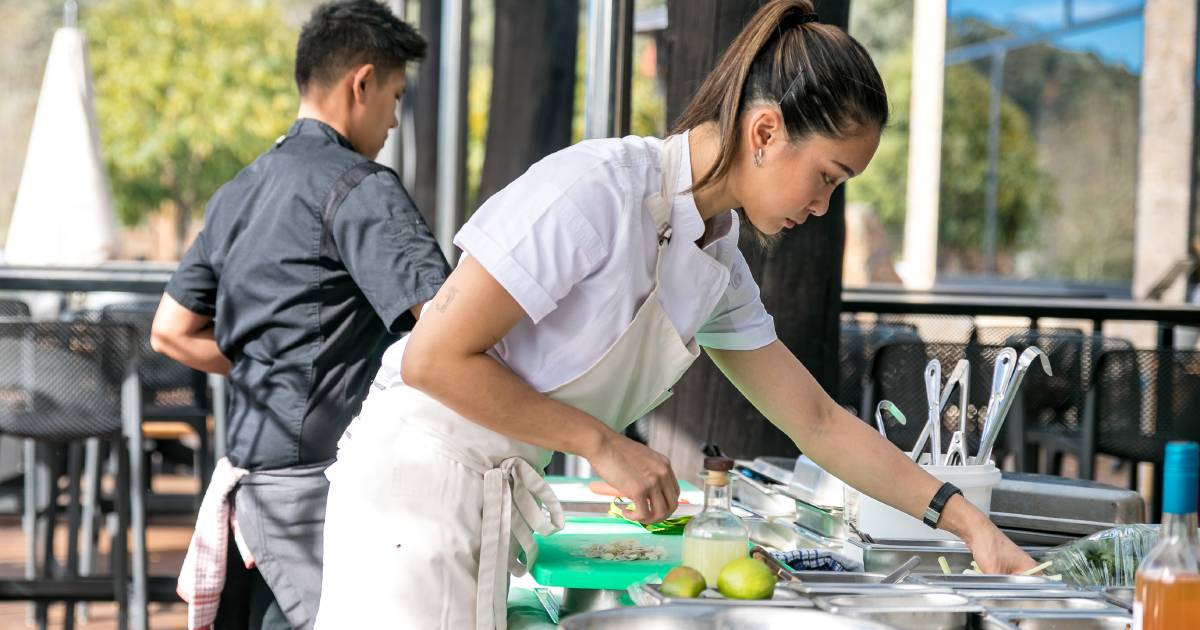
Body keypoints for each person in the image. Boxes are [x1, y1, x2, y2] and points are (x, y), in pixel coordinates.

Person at [315, 1, 1037, 627]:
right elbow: (431, 358)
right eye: (826, 177)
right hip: (411, 497)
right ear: (763, 132)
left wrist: (968, 522)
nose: (822, 208)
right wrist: (601, 443)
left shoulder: (719, 262)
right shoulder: (595, 190)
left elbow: (817, 422)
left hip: (482, 503)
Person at [150, 1, 449, 628]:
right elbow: (449, 332)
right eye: (395, 96)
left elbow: (170, 332)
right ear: (361, 83)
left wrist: (274, 365)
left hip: (249, 487)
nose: (395, 119)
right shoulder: (362, 187)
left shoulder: (238, 192)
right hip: (321, 499)